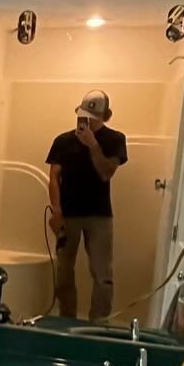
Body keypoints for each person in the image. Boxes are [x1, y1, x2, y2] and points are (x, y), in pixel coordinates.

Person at [45, 90, 128, 320]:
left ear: (105, 116)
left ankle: (97, 325)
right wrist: (57, 211)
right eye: (82, 115)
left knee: (103, 276)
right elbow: (54, 177)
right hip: (68, 214)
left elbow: (106, 173)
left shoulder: (115, 140)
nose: (85, 120)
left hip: (99, 216)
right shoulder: (63, 141)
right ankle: (67, 320)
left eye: (92, 117)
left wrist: (93, 145)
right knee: (63, 273)